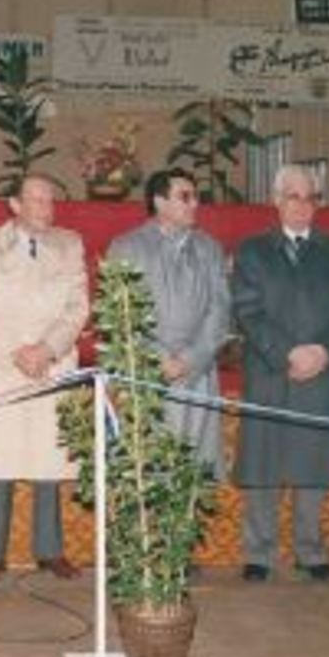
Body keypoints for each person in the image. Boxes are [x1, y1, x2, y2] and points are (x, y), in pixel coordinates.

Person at [231, 164, 329, 583]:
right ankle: (259, 553)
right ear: (276, 200)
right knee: (264, 464)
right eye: (294, 196)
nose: (303, 205)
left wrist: (324, 350)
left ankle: (311, 551)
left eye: (311, 197)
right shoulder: (252, 251)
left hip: (322, 371)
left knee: (315, 462)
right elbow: (247, 311)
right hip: (271, 369)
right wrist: (287, 353)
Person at [0, 173, 88, 582]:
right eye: (35, 200)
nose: (45, 209)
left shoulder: (69, 243)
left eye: (50, 201)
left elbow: (77, 307)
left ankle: (50, 551)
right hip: (2, 365)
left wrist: (47, 349)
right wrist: (17, 352)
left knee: (48, 457)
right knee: (0, 458)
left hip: (53, 362)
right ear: (14, 205)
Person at [106, 167, 230, 481]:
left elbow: (220, 312)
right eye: (184, 197)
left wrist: (189, 359)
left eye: (195, 197)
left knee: (195, 475)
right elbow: (121, 316)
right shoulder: (127, 247)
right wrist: (159, 359)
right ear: (159, 202)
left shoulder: (210, 249)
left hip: (198, 373)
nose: (194, 204)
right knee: (149, 474)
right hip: (148, 374)